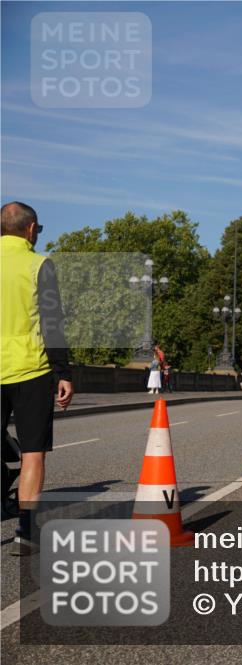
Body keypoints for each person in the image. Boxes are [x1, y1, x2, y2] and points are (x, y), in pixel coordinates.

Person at [1, 202, 73, 556]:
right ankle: (26, 532)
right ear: (30, 230)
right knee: (32, 453)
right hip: (31, 370)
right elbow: (52, 321)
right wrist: (63, 372)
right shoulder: (39, 265)